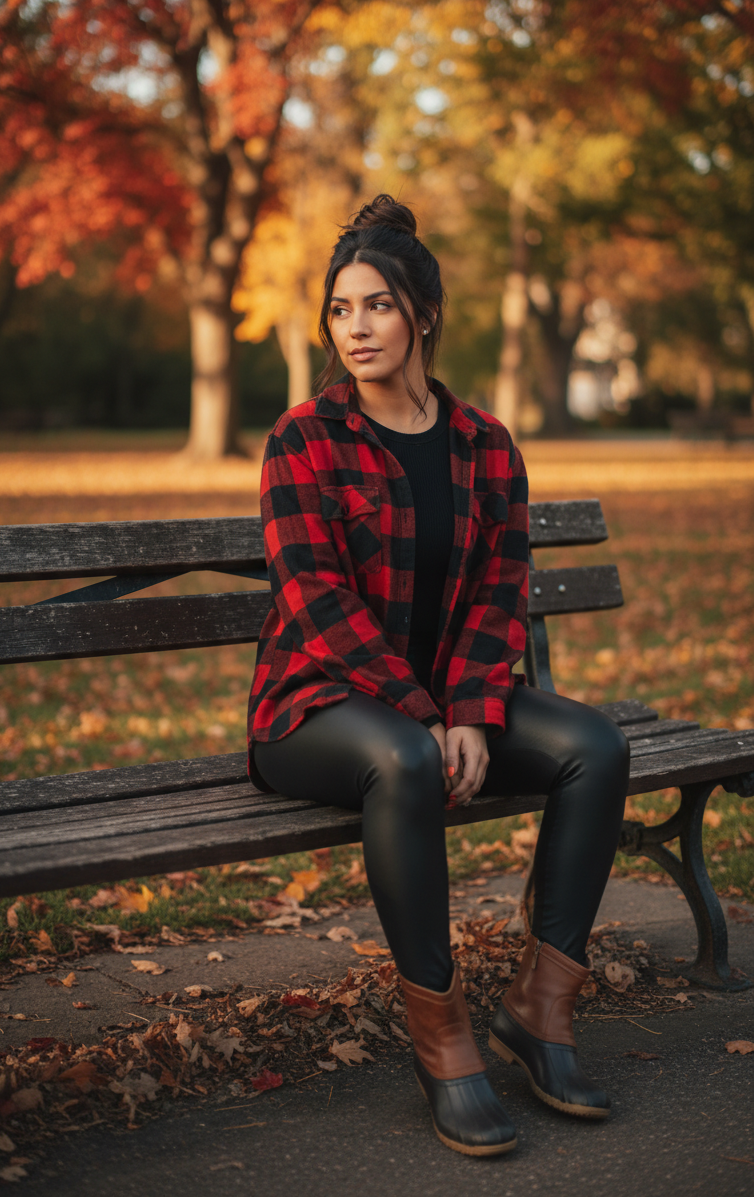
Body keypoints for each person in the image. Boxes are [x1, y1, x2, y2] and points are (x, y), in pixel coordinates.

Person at [247, 195, 630, 1157]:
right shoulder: (305, 439)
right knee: (408, 763)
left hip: (438, 708)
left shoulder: (486, 443)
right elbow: (315, 602)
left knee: (595, 746)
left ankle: (543, 1012)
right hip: (319, 708)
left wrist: (467, 707)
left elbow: (501, 595)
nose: (357, 328)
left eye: (376, 305)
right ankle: (446, 1041)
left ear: (420, 313)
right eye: (340, 309)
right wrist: (430, 715)